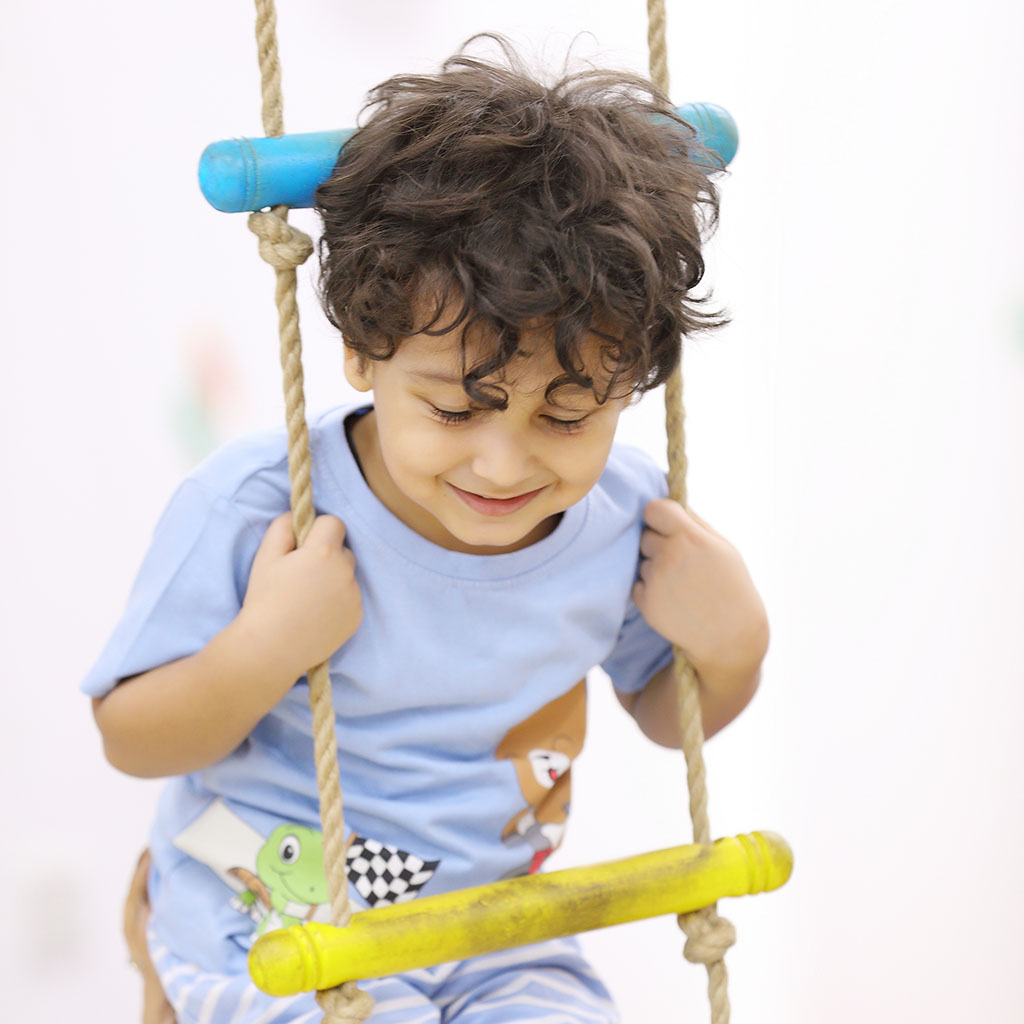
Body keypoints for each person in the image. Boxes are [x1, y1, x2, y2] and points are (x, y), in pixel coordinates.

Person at [86, 39, 769, 1024]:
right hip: (273, 918)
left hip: (495, 930)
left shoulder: (625, 518)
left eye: (568, 416)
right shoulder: (263, 508)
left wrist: (734, 644)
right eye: (455, 410)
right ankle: (163, 940)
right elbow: (131, 737)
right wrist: (267, 647)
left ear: (631, 383)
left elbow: (669, 716)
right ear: (365, 350)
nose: (506, 465)